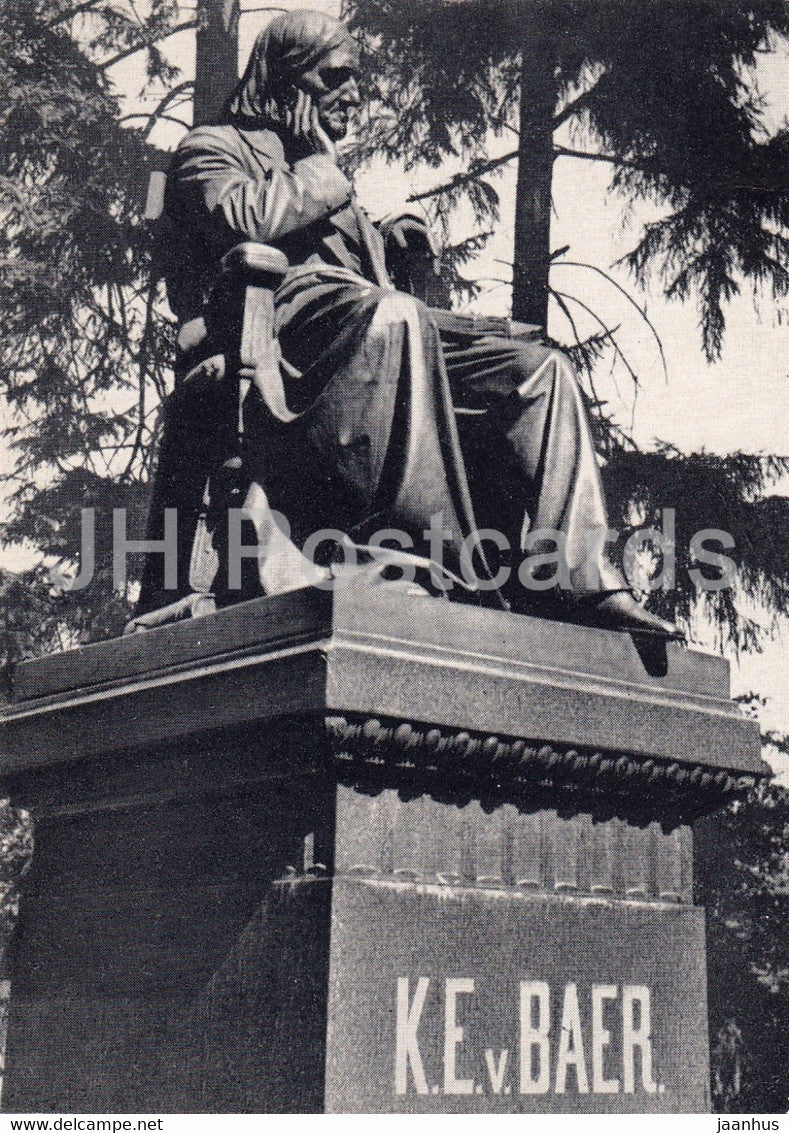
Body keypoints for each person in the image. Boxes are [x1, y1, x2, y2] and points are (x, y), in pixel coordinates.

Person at [137, 9, 678, 638]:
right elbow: (244, 222)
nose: (354, 95)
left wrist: (391, 245)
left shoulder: (323, 170)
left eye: (357, 82)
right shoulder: (213, 147)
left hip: (375, 327)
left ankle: (577, 578)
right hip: (284, 329)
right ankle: (420, 558)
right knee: (395, 317)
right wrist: (325, 170)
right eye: (334, 78)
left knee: (537, 372)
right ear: (284, 77)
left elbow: (371, 281)